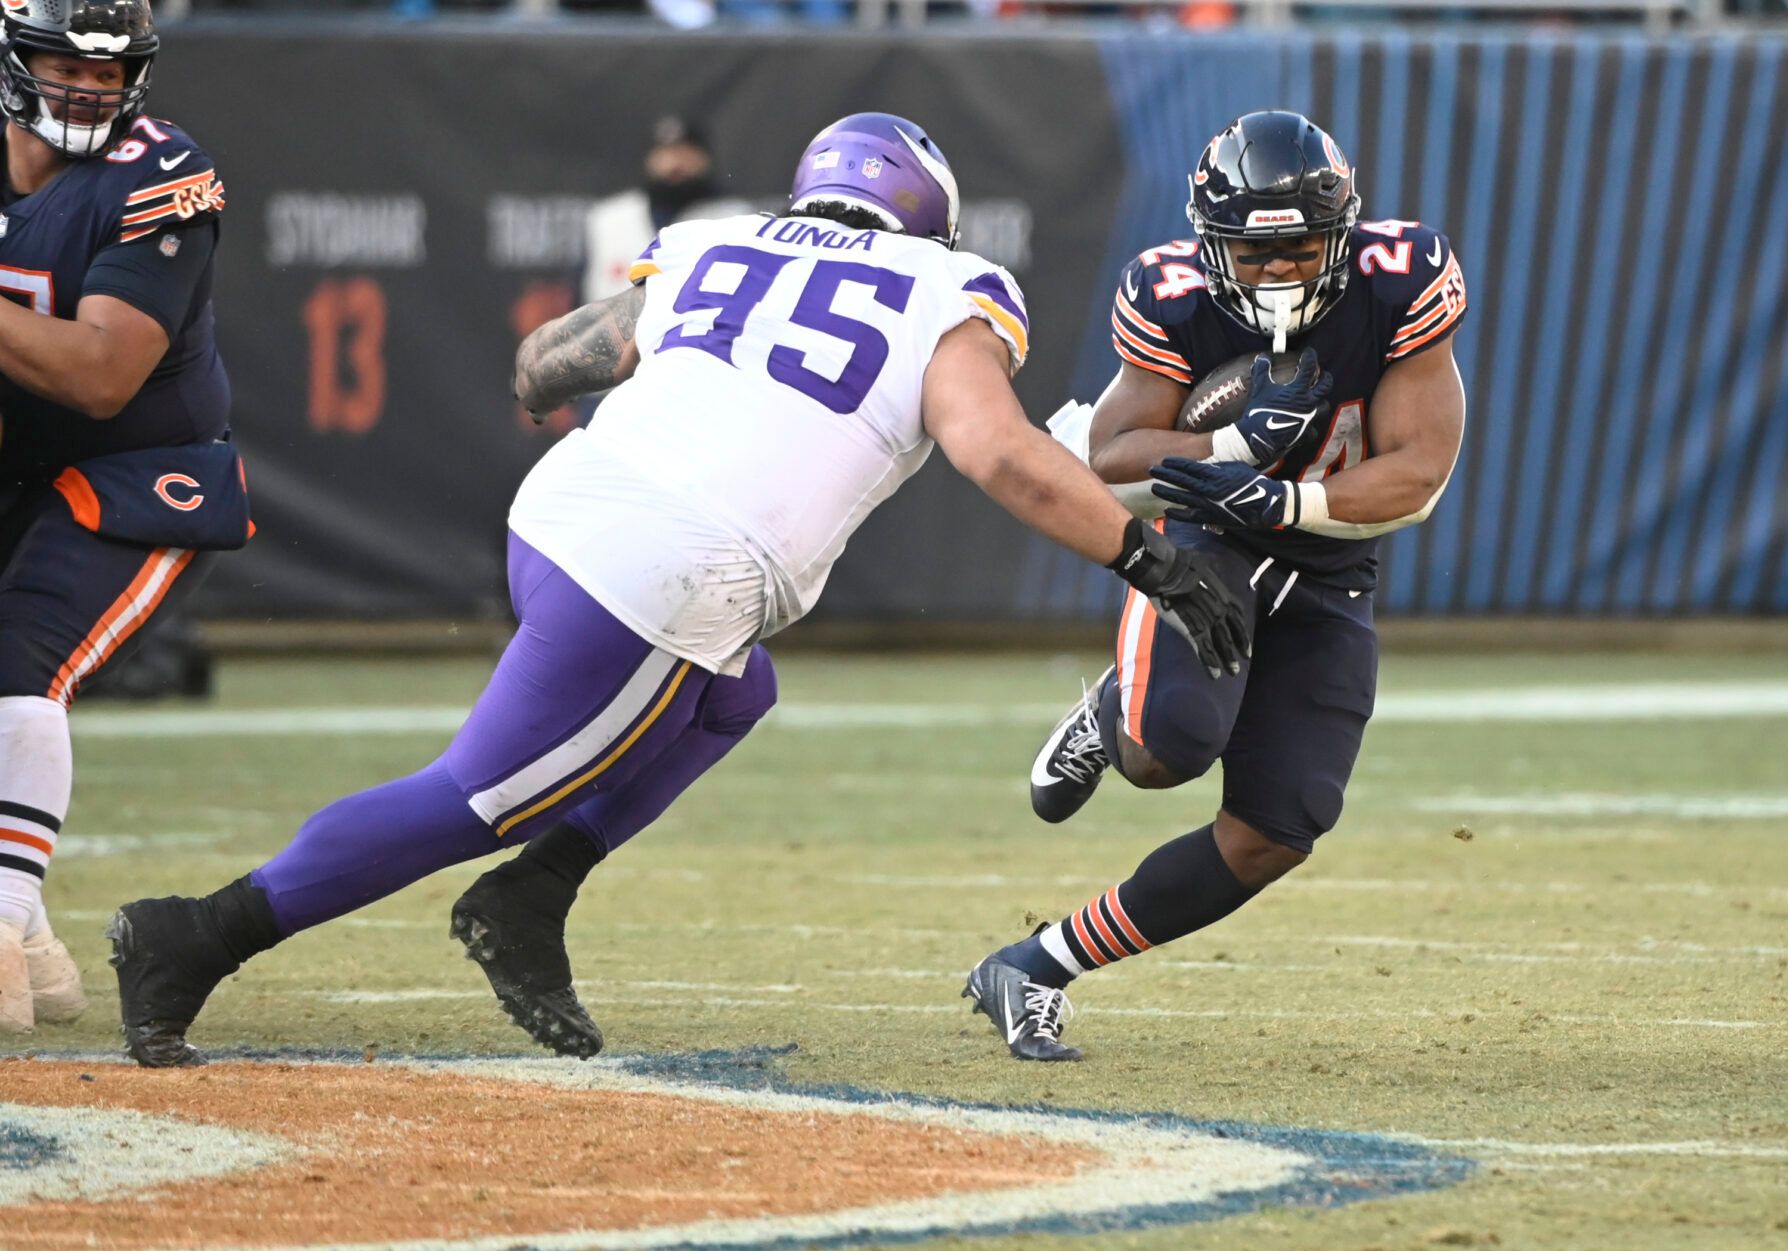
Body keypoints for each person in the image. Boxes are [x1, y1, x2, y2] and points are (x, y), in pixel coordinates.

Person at [106, 111, 1252, 1068]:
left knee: (732, 693)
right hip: (670, 567)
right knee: (479, 796)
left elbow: (546, 364)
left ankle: (532, 897)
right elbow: (997, 452)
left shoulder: (712, 244)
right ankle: (196, 935)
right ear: (927, 216)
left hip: (566, 513)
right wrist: (1145, 558)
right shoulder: (950, 283)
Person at [965, 110, 1469, 1060]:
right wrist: (1230, 450)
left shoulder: (1400, 281)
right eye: (1254, 252)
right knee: (1166, 752)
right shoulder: (1173, 293)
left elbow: (1417, 474)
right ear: (1213, 244)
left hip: (1330, 553)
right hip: (1208, 542)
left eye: (1303, 248)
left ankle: (1032, 967)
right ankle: (1120, 712)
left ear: (1344, 232)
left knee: (1278, 830)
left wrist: (1285, 501)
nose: (1279, 272)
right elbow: (1109, 459)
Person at [0, 0, 240, 1035]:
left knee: (19, 659)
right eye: (65, 60)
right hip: (18, 457)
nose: (89, 85)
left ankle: (4, 923)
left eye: (111, 68)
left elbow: (101, 374)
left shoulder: (162, 171)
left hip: (140, 466)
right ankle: (37, 948)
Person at [578, 116, 750, 306]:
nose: (674, 164)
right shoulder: (609, 217)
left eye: (685, 153)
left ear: (705, 158)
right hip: (616, 331)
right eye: (666, 153)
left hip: (698, 331)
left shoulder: (734, 218)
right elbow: (580, 294)